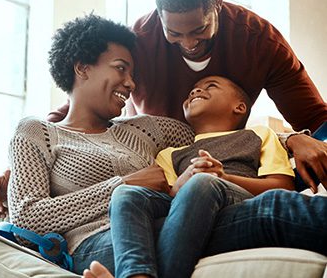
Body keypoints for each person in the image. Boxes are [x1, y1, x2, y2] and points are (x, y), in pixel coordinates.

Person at [46, 0, 327, 193]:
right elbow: (83, 104)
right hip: (161, 170)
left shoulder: (259, 42)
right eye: (175, 34)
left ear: (218, 3)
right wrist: (31, 158)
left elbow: (317, 119)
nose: (189, 43)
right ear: (159, 15)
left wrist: (295, 140)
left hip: (236, 169)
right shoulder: (139, 43)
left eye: (199, 30)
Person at [5, 13, 195, 274]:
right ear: (82, 67)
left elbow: (205, 138)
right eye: (120, 68)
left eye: (132, 73)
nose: (131, 83)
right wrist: (124, 185)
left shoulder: (147, 128)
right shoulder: (37, 132)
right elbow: (27, 220)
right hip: (97, 244)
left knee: (270, 208)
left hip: (165, 222)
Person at [91, 75, 297, 278]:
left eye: (211, 86)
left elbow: (283, 187)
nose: (195, 91)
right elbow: (172, 202)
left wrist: (223, 177)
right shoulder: (170, 153)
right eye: (193, 89)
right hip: (191, 208)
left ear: (239, 107)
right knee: (126, 193)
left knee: (203, 182)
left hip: (237, 198)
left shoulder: (258, 134)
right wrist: (181, 183)